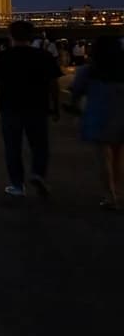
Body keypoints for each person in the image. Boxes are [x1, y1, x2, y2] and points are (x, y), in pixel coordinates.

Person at [0, 21, 63, 197]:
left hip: (10, 108)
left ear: (10, 35)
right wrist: (56, 107)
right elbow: (54, 84)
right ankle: (38, 173)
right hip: (38, 107)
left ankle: (17, 185)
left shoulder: (2, 57)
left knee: (12, 147)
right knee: (39, 145)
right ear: (31, 36)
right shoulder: (44, 56)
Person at [69, 36, 124, 209]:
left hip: (99, 117)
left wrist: (74, 108)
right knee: (119, 157)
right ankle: (120, 193)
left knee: (103, 158)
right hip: (121, 116)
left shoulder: (88, 71)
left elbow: (76, 92)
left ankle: (110, 195)